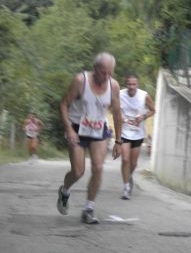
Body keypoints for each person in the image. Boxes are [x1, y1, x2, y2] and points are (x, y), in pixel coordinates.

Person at [57, 52, 123, 224]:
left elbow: (117, 114)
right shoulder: (81, 81)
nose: (106, 76)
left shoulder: (113, 86)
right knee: (78, 171)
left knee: (98, 167)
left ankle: (89, 208)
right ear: (95, 69)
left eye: (110, 73)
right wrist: (69, 129)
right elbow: (63, 105)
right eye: (103, 72)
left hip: (98, 130)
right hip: (77, 128)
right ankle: (65, 191)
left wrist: (118, 141)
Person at [119, 74, 155, 200]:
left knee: (133, 163)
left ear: (137, 85)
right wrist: (121, 117)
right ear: (126, 84)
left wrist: (143, 117)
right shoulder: (120, 94)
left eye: (134, 84)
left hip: (138, 133)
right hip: (124, 132)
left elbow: (153, 110)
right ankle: (126, 187)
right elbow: (113, 108)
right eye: (129, 84)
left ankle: (129, 177)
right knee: (125, 159)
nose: (131, 87)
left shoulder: (144, 96)